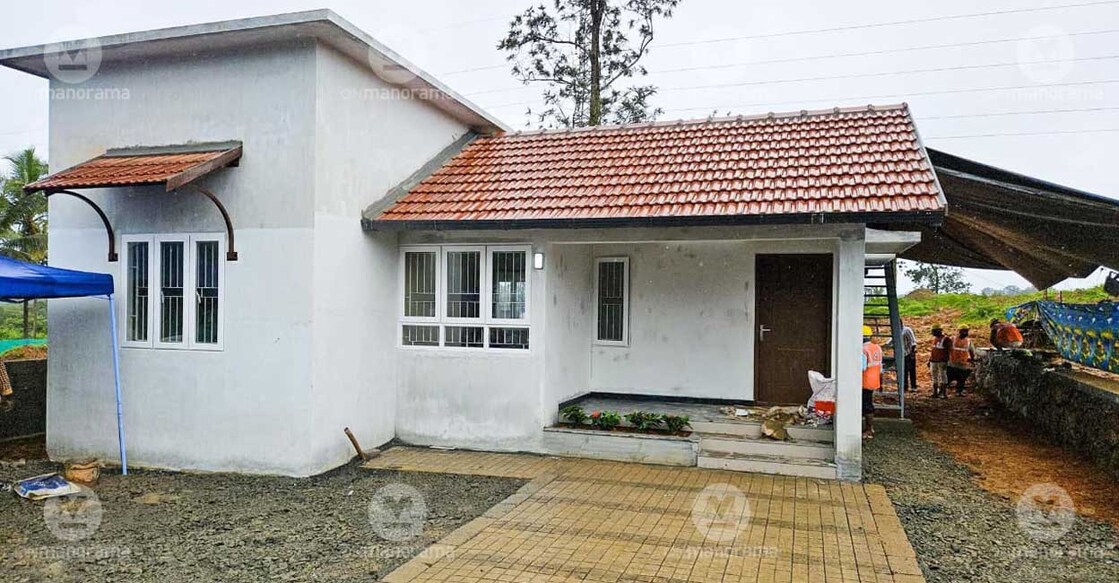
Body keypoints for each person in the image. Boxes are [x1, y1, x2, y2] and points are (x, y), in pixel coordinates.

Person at [862, 325, 883, 439]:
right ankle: (870, 428)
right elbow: (880, 365)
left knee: (866, 405)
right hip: (874, 380)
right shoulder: (877, 348)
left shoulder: (863, 349)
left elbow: (861, 367)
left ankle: (869, 429)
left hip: (864, 381)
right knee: (868, 403)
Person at [947, 327, 976, 396]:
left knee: (961, 380)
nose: (965, 333)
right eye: (963, 331)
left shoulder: (968, 341)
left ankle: (958, 391)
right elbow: (947, 349)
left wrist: (972, 359)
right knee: (949, 378)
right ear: (959, 331)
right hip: (952, 363)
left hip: (962, 364)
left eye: (966, 331)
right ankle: (946, 391)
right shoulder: (953, 339)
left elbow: (972, 352)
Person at [929, 326, 951, 399]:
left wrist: (946, 361)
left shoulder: (946, 339)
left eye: (934, 331)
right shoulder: (935, 339)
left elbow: (948, 351)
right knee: (934, 377)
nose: (932, 333)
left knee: (943, 377)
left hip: (942, 361)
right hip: (934, 361)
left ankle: (944, 393)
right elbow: (933, 350)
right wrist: (930, 360)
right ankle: (935, 392)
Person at [901, 324, 918, 392]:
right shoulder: (896, 331)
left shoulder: (907, 330)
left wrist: (912, 352)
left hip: (909, 353)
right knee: (904, 370)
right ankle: (905, 386)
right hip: (902, 354)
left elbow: (913, 342)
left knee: (911, 370)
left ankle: (913, 386)